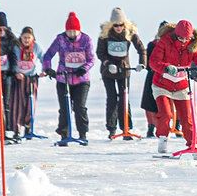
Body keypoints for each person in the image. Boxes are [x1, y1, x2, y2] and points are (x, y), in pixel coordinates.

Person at [148, 20, 197, 153]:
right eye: (180, 38)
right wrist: (166, 67)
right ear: (175, 35)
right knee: (166, 114)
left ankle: (193, 143)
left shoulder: (193, 45)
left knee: (187, 118)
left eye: (186, 38)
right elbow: (153, 62)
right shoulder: (164, 42)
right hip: (162, 85)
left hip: (181, 86)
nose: (183, 40)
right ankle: (163, 139)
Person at [43, 13, 97, 144]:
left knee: (79, 107)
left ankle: (82, 134)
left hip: (81, 80)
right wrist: (48, 69)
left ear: (79, 30)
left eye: (74, 31)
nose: (71, 33)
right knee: (65, 108)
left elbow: (91, 59)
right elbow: (48, 55)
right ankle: (64, 134)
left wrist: (84, 68)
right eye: (69, 31)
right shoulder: (60, 39)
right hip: (63, 78)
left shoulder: (86, 40)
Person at [98, 8, 148, 139]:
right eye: (115, 25)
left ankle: (126, 128)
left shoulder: (130, 33)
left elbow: (142, 49)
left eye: (121, 25)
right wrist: (108, 63)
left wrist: (142, 64)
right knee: (112, 99)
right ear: (111, 25)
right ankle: (112, 129)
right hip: (108, 71)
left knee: (124, 99)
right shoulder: (105, 34)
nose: (118, 27)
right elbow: (100, 53)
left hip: (124, 70)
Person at [10, 26, 44, 140]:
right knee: (18, 104)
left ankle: (29, 127)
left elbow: (44, 58)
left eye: (29, 37)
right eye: (24, 37)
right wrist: (15, 72)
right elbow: (13, 61)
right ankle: (17, 130)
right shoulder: (16, 47)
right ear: (21, 37)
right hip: (19, 79)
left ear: (32, 38)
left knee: (31, 104)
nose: (26, 40)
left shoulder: (36, 47)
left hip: (32, 78)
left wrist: (45, 70)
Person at [141, 21, 170, 137]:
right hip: (153, 75)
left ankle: (169, 127)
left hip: (167, 76)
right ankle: (150, 127)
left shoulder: (172, 44)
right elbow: (148, 63)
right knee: (149, 103)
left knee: (166, 103)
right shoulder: (152, 44)